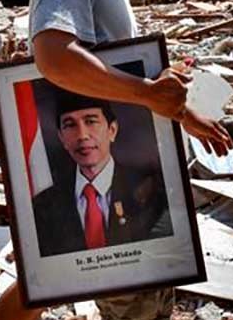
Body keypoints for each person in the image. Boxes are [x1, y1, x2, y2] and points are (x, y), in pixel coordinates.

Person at [0, 0, 233, 320]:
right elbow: (55, 57)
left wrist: (182, 113)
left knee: (45, 280)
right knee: (123, 301)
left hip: (121, 168)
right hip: (99, 166)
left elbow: (119, 77)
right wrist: (147, 94)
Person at [32, 88, 172, 257]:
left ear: (112, 130)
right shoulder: (44, 205)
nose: (82, 135)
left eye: (91, 121)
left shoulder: (151, 190)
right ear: (62, 138)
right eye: (70, 125)